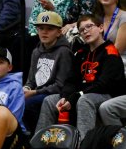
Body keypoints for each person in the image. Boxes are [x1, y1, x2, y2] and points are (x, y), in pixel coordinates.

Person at [36, 13, 126, 141]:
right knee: (49, 101)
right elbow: (70, 80)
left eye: (89, 26)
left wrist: (77, 96)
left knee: (84, 100)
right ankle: (40, 145)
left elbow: (105, 84)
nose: (86, 31)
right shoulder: (80, 53)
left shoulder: (110, 51)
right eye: (82, 30)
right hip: (82, 93)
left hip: (106, 94)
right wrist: (65, 97)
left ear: (101, 28)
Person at [23, 11, 74, 132]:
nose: (44, 32)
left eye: (49, 29)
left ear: (59, 32)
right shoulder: (36, 51)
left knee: (29, 104)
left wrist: (35, 92)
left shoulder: (64, 52)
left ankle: (38, 137)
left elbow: (60, 85)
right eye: (41, 28)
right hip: (38, 92)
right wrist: (26, 88)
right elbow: (31, 80)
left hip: (53, 94)